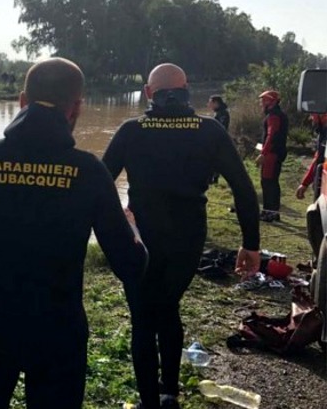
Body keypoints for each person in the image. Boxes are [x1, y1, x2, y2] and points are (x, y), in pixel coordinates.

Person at [0, 58, 147, 409]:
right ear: (76, 107)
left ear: (21, 102)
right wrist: (133, 225)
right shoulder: (88, 171)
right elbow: (130, 266)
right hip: (60, 330)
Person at [102, 63, 261, 409]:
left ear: (148, 93)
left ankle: (149, 401)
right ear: (187, 89)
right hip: (188, 238)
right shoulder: (209, 130)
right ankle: (169, 392)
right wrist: (250, 243)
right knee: (168, 307)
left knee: (143, 319)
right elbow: (244, 189)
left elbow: (98, 186)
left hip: (140, 239)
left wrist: (112, 228)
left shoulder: (132, 130)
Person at [256, 90, 289, 222]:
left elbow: (271, 135)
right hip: (276, 152)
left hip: (272, 154)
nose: (261, 103)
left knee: (268, 183)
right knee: (272, 183)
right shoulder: (278, 114)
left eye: (264, 100)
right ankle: (272, 212)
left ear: (272, 102)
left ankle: (269, 213)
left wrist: (263, 153)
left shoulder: (273, 116)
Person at [296, 113, 327, 201]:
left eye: (313, 115)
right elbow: (317, 160)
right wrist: (305, 183)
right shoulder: (322, 133)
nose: (311, 118)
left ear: (322, 115)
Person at [208, 95, 230, 184]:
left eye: (210, 103)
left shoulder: (223, 113)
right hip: (216, 140)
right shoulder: (218, 113)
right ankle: (212, 178)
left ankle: (214, 179)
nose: (208, 105)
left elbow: (221, 127)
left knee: (215, 160)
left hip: (219, 141)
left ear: (216, 103)